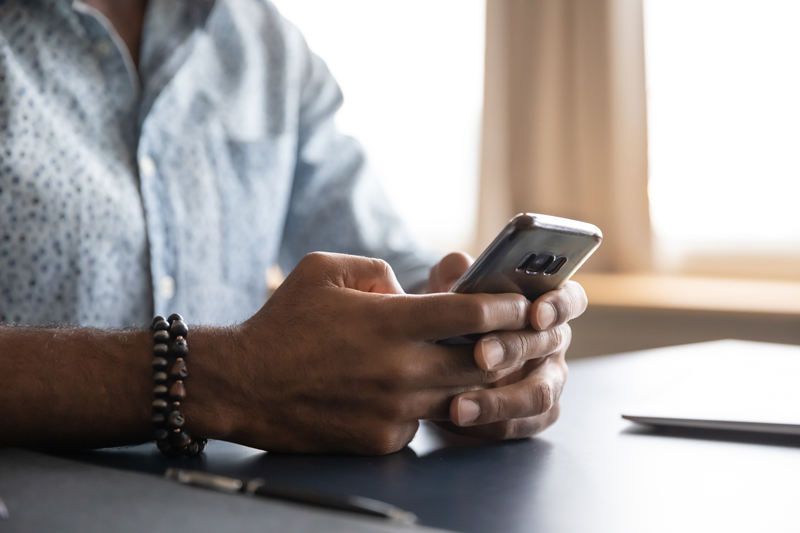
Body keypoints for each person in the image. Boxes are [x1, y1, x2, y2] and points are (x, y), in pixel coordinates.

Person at [0, 0, 587, 454]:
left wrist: (481, 348)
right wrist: (226, 378)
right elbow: (248, 373)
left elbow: (390, 271)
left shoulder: (267, 46)